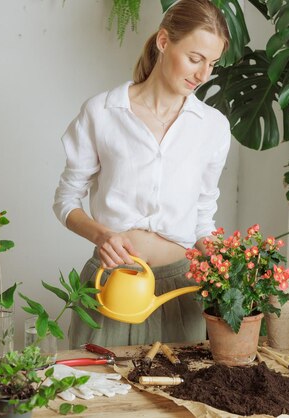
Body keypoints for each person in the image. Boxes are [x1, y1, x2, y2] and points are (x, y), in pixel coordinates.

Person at [53, 0, 231, 349]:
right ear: (163, 41)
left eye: (212, 64)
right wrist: (102, 235)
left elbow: (202, 218)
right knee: (102, 395)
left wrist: (232, 271)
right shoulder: (103, 112)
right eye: (195, 59)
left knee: (177, 399)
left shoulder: (213, 127)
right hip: (112, 285)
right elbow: (65, 200)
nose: (203, 75)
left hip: (182, 291)